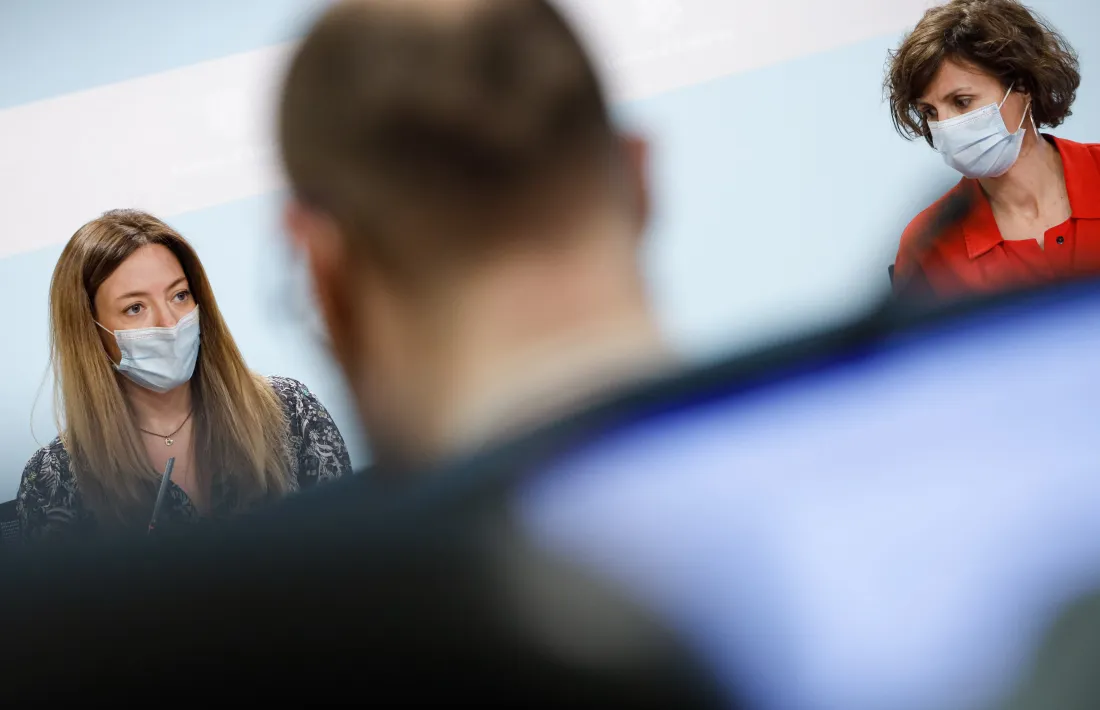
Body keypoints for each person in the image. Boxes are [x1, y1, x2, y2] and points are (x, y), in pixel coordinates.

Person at [16, 209, 352, 542]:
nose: (168, 321)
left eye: (180, 295)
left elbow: (357, 557)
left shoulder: (293, 412)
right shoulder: (55, 477)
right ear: (90, 332)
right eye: (135, 308)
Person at [886, 0, 1100, 299]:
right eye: (930, 112)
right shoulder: (928, 242)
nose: (944, 125)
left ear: (1022, 86)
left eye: (962, 102)